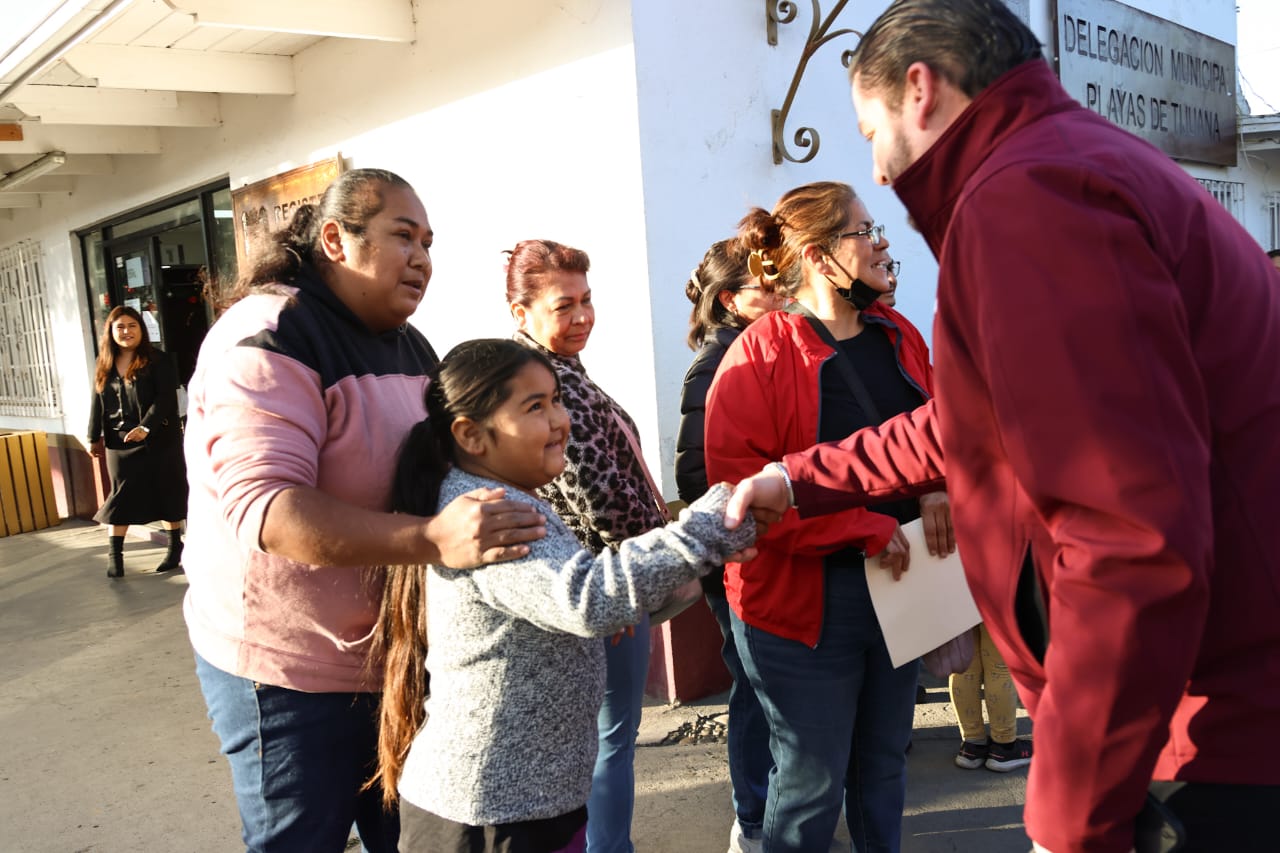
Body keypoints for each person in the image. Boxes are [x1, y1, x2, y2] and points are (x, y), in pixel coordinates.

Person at [723, 2, 1280, 851]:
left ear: (921, 91)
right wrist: (797, 479)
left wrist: (1069, 817)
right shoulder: (1066, 166)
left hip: (1209, 725)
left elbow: (1127, 535)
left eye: (870, 132)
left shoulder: (1028, 199)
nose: (876, 173)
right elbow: (971, 425)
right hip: (1202, 697)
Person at [182, 168, 546, 853]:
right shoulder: (270, 335)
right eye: (402, 236)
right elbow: (271, 510)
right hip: (286, 669)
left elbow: (458, 467)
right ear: (335, 239)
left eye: (429, 243)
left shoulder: (412, 348)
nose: (422, 259)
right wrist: (433, 538)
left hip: (393, 661)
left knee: (417, 835)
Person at [368, 338, 755, 853]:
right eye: (534, 407)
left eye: (557, 400)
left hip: (531, 800)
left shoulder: (505, 497)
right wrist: (709, 525)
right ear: (471, 435)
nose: (560, 420)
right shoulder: (489, 514)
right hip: (488, 814)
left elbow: (567, 595)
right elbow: (587, 599)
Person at [704, 181, 938, 853]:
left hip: (900, 585)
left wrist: (938, 490)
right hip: (801, 606)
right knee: (810, 788)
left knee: (884, 768)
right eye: (864, 231)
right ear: (817, 256)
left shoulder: (899, 335)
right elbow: (738, 498)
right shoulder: (757, 357)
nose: (882, 243)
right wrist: (862, 527)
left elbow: (939, 435)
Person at [506, 239, 665, 853]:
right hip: (603, 583)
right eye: (563, 305)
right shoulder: (546, 383)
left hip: (592, 578)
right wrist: (630, 583)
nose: (581, 317)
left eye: (587, 300)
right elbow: (596, 493)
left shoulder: (553, 372)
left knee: (599, 737)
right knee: (608, 739)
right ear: (520, 313)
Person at [674, 238, 783, 853]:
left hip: (761, 542)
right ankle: (752, 817)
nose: (782, 297)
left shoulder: (757, 350)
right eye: (766, 289)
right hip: (737, 550)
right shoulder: (718, 362)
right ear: (730, 301)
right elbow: (699, 475)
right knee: (752, 681)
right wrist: (750, 519)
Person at [87, 305, 188, 577]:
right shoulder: (104, 362)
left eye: (132, 326)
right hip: (119, 442)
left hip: (159, 439)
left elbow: (165, 399)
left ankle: (173, 549)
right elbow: (97, 401)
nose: (126, 332)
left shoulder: (159, 360)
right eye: (120, 327)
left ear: (141, 329)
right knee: (121, 495)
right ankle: (115, 556)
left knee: (167, 490)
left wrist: (146, 427)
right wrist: (93, 435)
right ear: (111, 331)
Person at [948, 623, 1031, 772]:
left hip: (958, 600)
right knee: (1000, 665)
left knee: (963, 664)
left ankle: (972, 746)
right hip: (994, 599)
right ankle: (1004, 747)